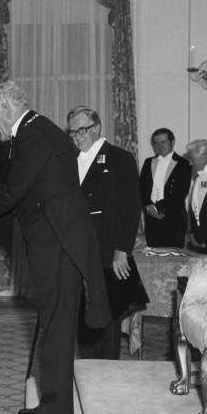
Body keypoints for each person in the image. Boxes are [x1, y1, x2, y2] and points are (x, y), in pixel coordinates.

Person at [0, 82, 109, 414]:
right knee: (52, 325)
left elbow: (11, 191)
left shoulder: (34, 134)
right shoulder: (32, 132)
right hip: (52, 242)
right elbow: (23, 193)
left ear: (6, 110)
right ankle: (51, 403)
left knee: (58, 328)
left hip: (60, 244)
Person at [67, 106, 142, 360]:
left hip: (107, 253)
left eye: (82, 130)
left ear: (96, 127)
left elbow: (130, 209)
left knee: (106, 317)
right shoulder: (69, 161)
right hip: (77, 252)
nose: (78, 137)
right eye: (73, 132)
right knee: (82, 316)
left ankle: (108, 375)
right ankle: (87, 371)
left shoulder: (119, 158)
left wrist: (121, 251)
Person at [139, 128, 192, 248]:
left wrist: (157, 208)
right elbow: (141, 189)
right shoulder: (148, 162)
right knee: (154, 258)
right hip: (151, 219)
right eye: (156, 143)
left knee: (173, 259)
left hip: (174, 219)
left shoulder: (184, 164)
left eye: (163, 142)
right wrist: (150, 209)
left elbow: (180, 193)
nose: (159, 146)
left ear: (172, 142)